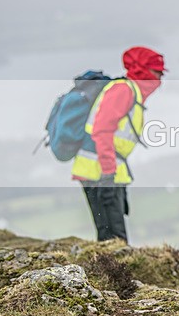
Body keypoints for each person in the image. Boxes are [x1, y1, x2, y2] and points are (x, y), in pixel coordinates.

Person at [71, 46, 166, 242]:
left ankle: (112, 270)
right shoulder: (123, 91)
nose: (160, 79)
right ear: (144, 71)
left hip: (107, 170)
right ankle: (111, 272)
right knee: (112, 238)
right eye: (157, 72)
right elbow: (101, 130)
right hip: (99, 171)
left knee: (112, 236)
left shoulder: (131, 92)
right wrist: (107, 172)